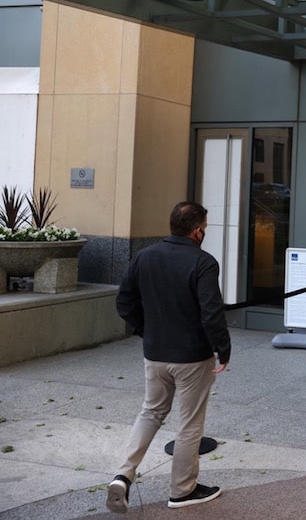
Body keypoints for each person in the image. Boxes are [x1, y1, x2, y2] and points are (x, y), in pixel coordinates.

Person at [105, 201, 232, 513]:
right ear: (197, 230)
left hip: (155, 353)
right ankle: (182, 491)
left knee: (150, 413)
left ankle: (123, 475)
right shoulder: (204, 262)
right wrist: (223, 348)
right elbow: (210, 311)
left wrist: (143, 330)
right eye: (204, 227)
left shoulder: (144, 256)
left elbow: (124, 300)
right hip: (191, 357)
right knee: (189, 424)